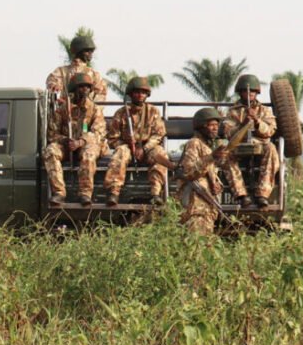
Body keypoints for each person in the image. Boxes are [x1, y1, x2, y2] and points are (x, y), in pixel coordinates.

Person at [104, 77, 171, 206]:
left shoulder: (153, 111)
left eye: (143, 92)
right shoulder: (121, 113)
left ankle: (156, 194)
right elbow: (112, 139)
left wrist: (144, 148)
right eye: (137, 92)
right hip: (128, 147)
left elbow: (159, 134)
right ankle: (114, 193)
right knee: (120, 153)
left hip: (149, 147)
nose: (140, 95)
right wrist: (127, 145)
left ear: (147, 95)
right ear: (131, 94)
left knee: (160, 155)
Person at [43, 73, 106, 206]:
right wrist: (66, 140)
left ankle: (85, 193)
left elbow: (98, 132)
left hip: (87, 145)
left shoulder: (95, 110)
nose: (84, 90)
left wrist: (80, 142)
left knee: (89, 154)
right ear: (74, 90)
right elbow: (52, 134)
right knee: (50, 151)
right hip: (67, 145)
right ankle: (59, 193)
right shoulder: (62, 110)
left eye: (87, 87)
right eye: (81, 87)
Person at [222, 74, 279, 208]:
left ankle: (262, 194)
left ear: (257, 92)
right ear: (240, 92)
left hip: (259, 144)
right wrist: (243, 125)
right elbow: (228, 133)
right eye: (246, 91)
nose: (249, 94)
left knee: (271, 148)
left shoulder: (264, 110)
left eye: (252, 91)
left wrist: (257, 121)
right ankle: (241, 195)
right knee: (225, 155)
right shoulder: (232, 112)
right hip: (239, 145)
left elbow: (270, 131)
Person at [178, 107, 232, 235]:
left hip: (206, 209)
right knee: (196, 247)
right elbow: (188, 172)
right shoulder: (194, 143)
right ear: (201, 127)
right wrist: (211, 157)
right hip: (196, 208)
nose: (215, 128)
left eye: (216, 125)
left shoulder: (207, 147)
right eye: (211, 125)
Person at [46, 35, 107, 104]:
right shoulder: (60, 72)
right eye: (87, 51)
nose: (90, 54)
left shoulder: (94, 75)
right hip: (64, 111)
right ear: (78, 51)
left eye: (91, 51)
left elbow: (100, 96)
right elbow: (52, 88)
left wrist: (87, 104)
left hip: (87, 112)